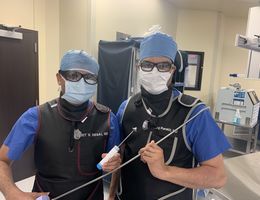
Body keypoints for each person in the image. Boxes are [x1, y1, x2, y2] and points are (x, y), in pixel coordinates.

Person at [109, 32, 231, 200]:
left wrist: (165, 171)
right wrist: (111, 195)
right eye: (147, 65)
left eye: (163, 66)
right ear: (138, 67)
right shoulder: (126, 107)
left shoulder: (194, 114)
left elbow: (218, 177)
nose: (154, 71)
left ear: (173, 70)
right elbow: (120, 158)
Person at [0, 50, 121, 200]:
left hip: (91, 195)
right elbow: (2, 160)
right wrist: (11, 192)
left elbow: (117, 163)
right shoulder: (36, 117)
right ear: (59, 78)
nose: (81, 82)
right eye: (73, 75)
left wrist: (112, 196)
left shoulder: (108, 118)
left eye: (89, 77)